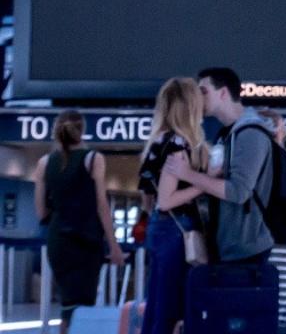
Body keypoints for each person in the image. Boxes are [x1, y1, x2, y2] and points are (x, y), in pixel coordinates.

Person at [165, 69, 282, 317]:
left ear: (223, 93)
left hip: (246, 249)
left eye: (204, 91)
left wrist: (188, 175)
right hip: (231, 246)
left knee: (238, 321)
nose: (199, 97)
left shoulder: (250, 134)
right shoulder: (228, 135)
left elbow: (238, 191)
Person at [35, 110, 125, 327]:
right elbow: (101, 206)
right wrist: (114, 247)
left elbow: (41, 211)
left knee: (68, 306)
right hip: (86, 241)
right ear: (83, 130)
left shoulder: (44, 163)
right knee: (83, 305)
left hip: (59, 242)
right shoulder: (93, 159)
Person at [139, 78, 209, 334]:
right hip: (177, 233)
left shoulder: (156, 143)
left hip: (159, 231)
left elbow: (148, 198)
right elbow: (166, 201)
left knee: (157, 306)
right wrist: (205, 183)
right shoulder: (178, 145)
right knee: (171, 309)